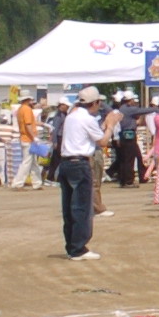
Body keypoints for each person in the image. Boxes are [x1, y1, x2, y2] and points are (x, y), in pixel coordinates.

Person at [56, 86, 109, 260]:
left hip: (66, 163)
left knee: (69, 208)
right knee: (81, 207)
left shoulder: (71, 116)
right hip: (79, 163)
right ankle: (78, 248)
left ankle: (72, 245)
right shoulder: (87, 119)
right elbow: (102, 141)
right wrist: (111, 124)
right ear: (95, 103)